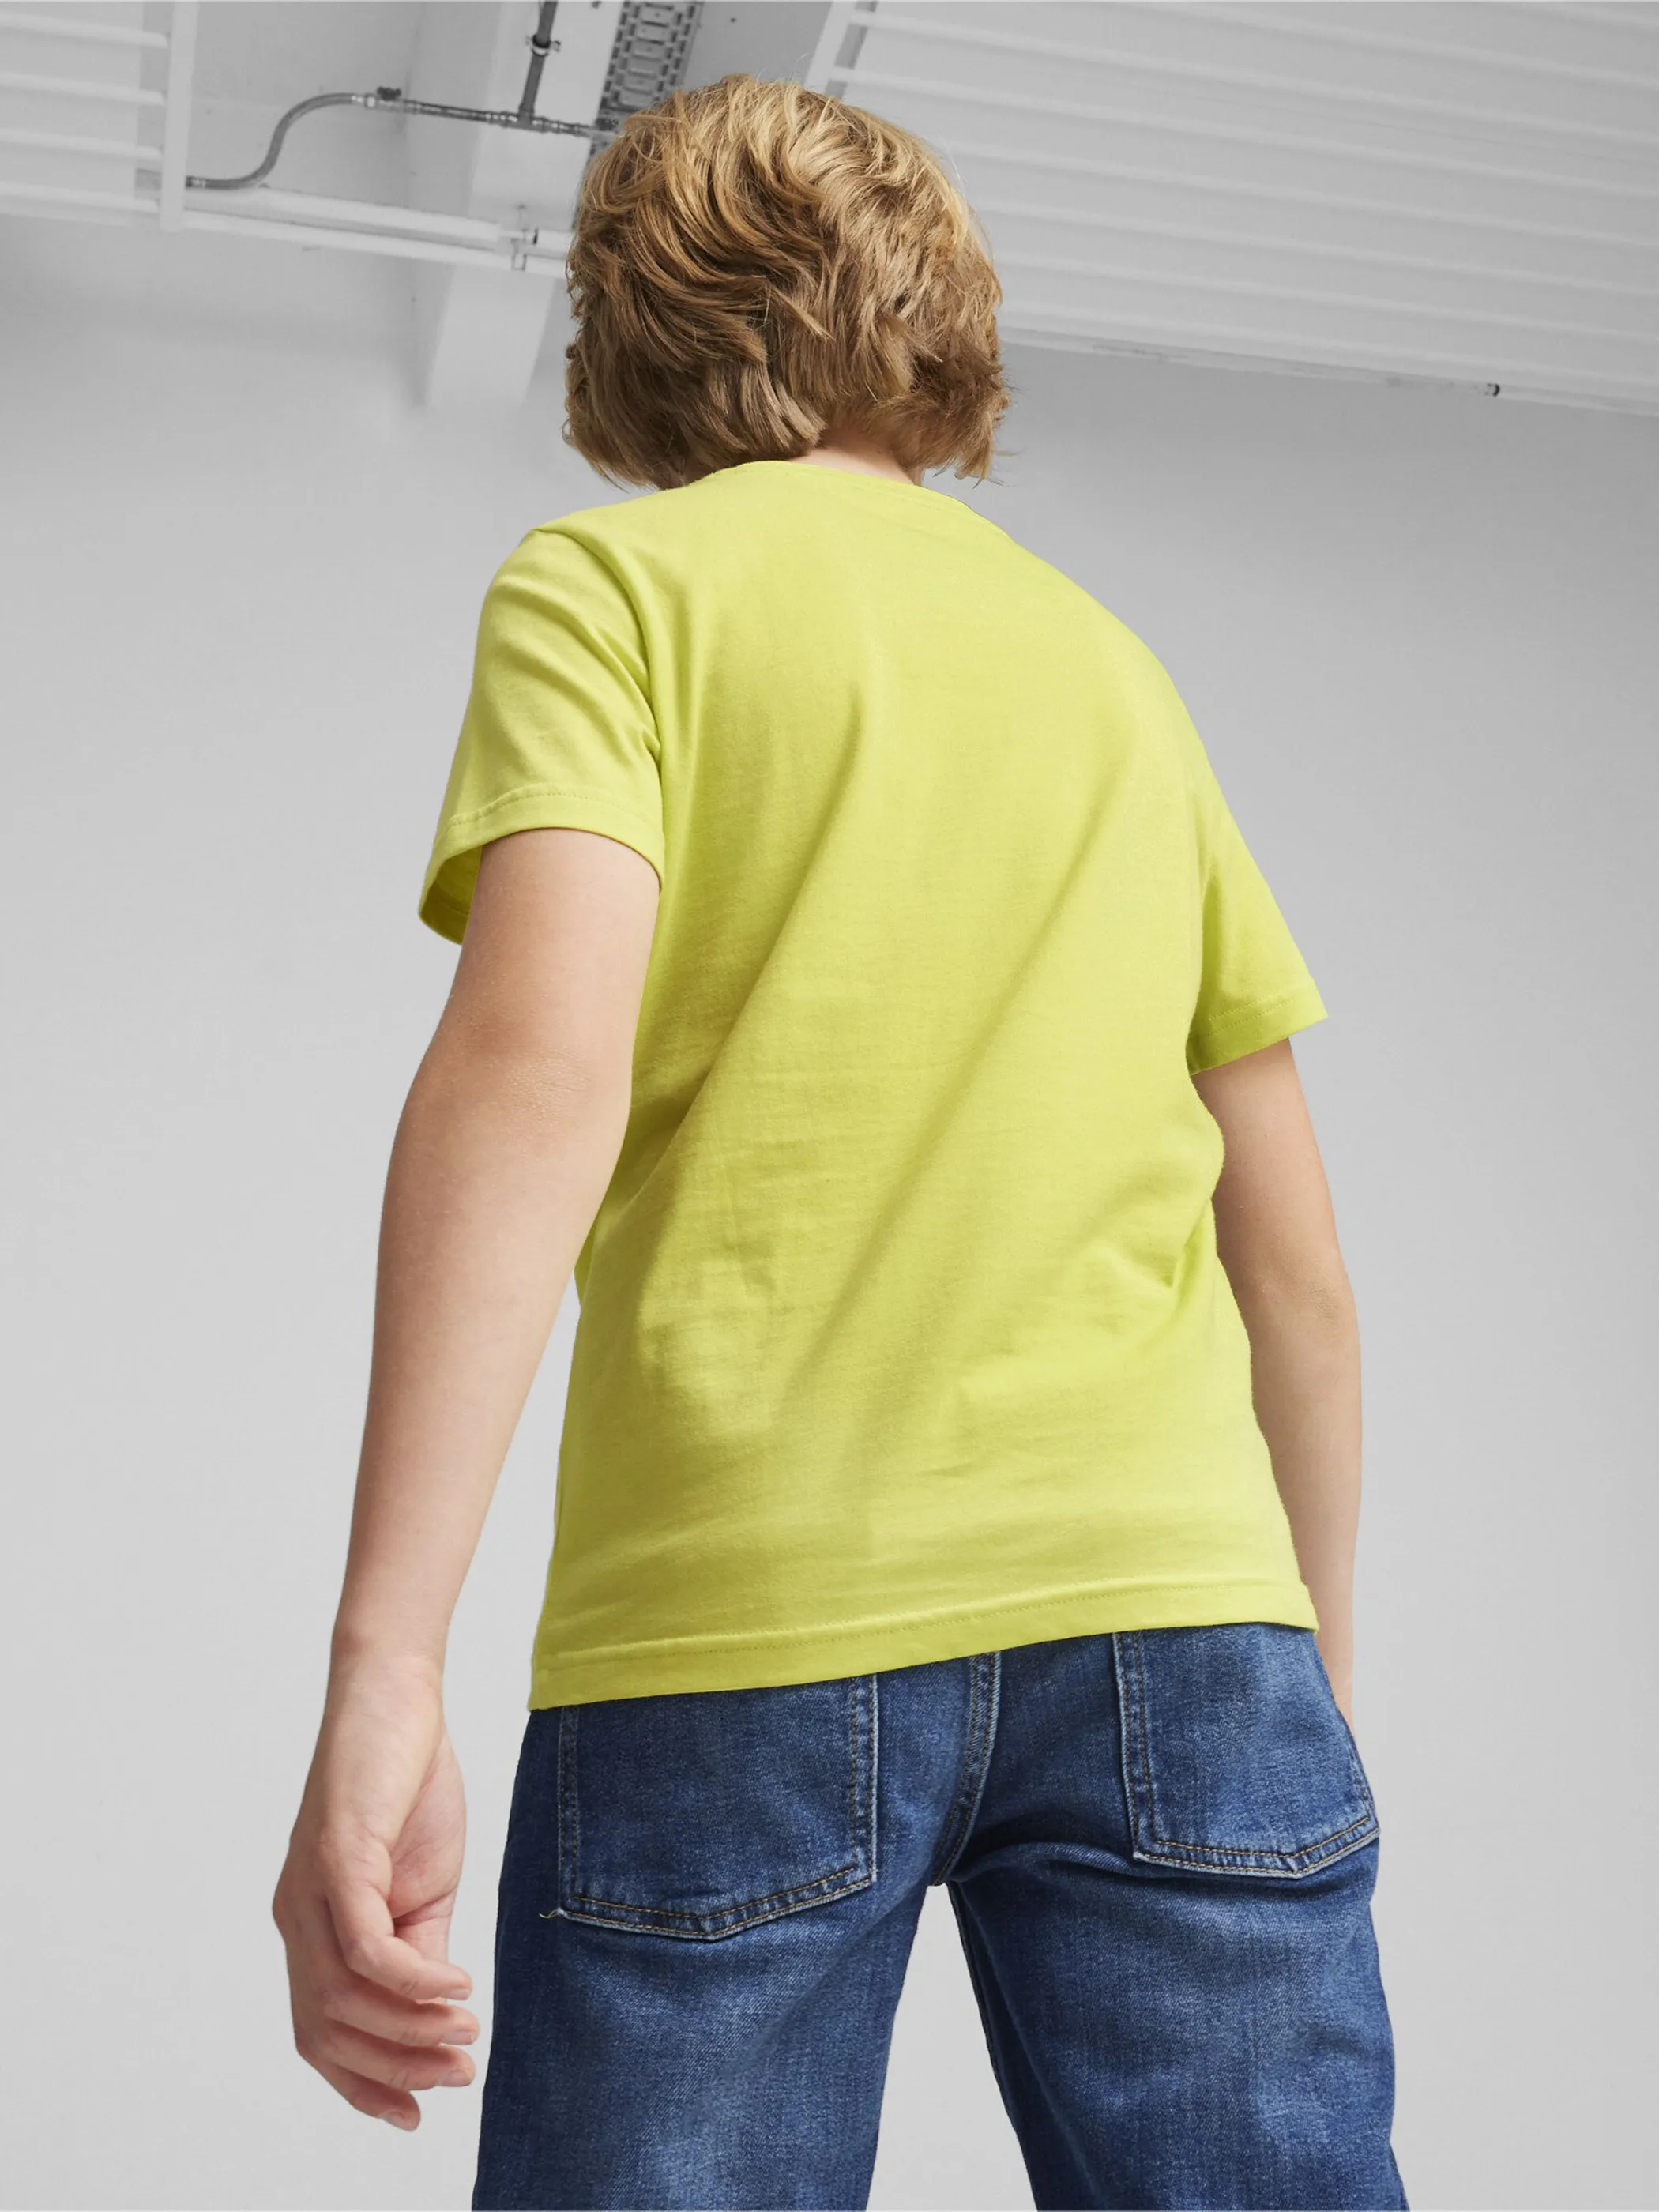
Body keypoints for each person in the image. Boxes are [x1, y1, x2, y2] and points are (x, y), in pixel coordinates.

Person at [273, 71, 1407, 2212]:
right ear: (936, 317)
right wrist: (1297, 1689)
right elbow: (1299, 1273)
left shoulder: (618, 593)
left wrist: (384, 1666)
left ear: (631, 333)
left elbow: (532, 1077)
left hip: (743, 1613)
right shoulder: (1111, 672)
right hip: (1185, 1619)